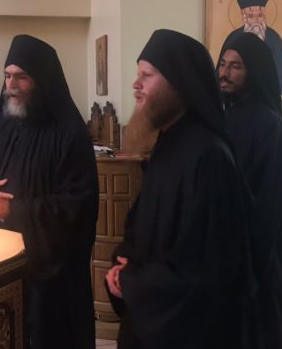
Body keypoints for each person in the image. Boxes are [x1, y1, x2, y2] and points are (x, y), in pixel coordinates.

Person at [105, 29, 254, 349]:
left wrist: (133, 281)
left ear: (179, 84)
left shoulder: (210, 157)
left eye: (147, 75)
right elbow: (142, 226)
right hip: (149, 317)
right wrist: (122, 264)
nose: (136, 84)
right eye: (137, 74)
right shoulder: (168, 142)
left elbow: (207, 271)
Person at [0, 34, 98, 348]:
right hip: (2, 265)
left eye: (22, 77)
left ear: (42, 81)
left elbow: (77, 206)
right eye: (7, 76)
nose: (11, 85)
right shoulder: (2, 121)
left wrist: (13, 210)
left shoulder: (69, 133)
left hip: (51, 277)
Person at [217, 32, 282, 349]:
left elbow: (271, 205)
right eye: (222, 63)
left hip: (259, 258)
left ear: (254, 71)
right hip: (228, 253)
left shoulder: (270, 126)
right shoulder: (222, 117)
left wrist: (249, 264)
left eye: (236, 66)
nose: (225, 73)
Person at [222, 0, 282, 95]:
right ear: (244, 17)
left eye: (260, 16)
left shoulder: (273, 37)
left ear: (264, 16)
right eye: (251, 16)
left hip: (267, 92)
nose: (256, 20)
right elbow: (223, 69)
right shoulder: (234, 37)